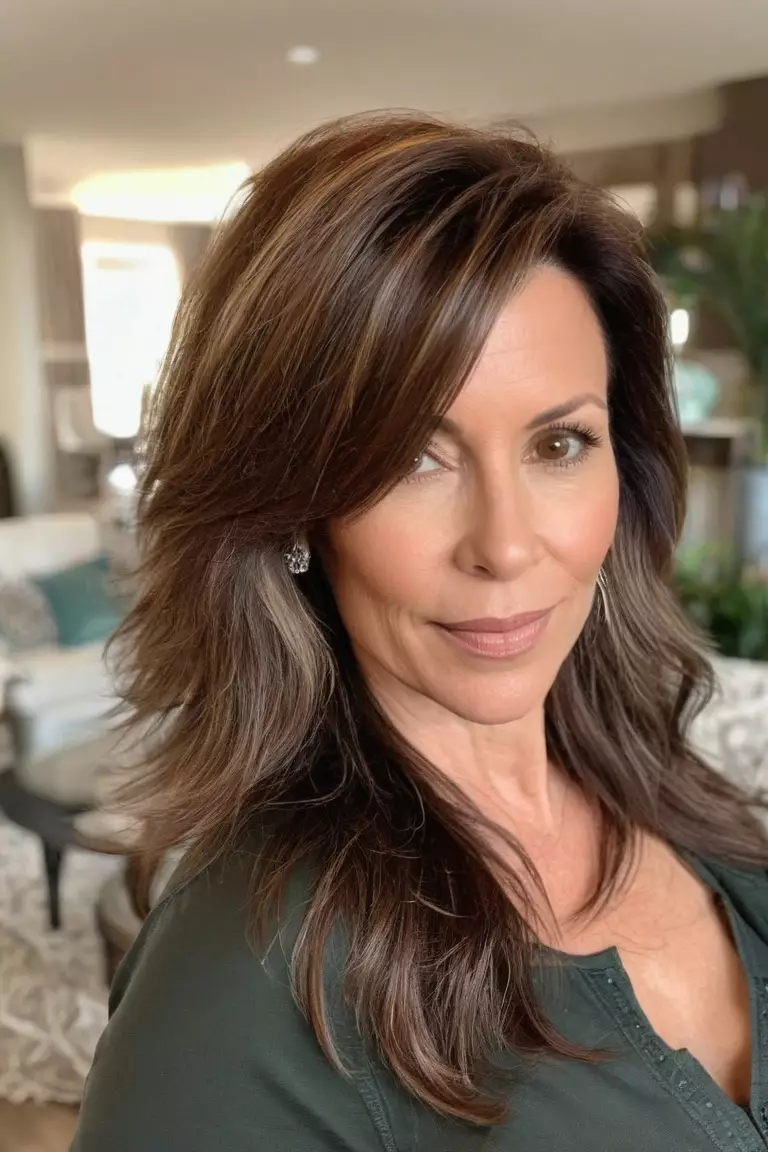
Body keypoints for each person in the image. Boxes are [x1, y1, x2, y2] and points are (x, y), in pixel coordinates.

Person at [72, 112, 768, 1152]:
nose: (504, 544)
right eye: (415, 458)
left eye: (559, 442)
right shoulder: (239, 982)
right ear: (297, 506)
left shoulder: (675, 795)